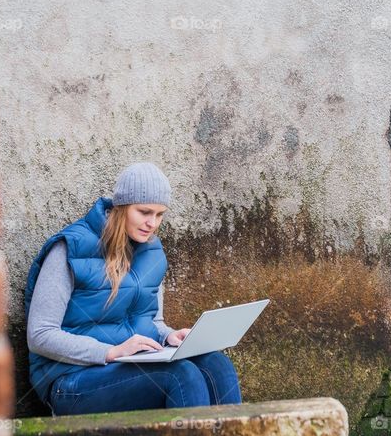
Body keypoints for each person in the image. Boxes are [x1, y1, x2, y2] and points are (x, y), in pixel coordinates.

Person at [24, 162, 242, 416]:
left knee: (216, 364)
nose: (152, 223)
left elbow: (152, 321)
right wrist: (110, 352)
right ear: (122, 207)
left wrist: (169, 336)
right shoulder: (70, 248)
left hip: (130, 367)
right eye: (144, 212)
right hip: (71, 381)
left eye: (160, 215)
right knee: (181, 376)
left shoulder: (152, 251)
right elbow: (39, 335)